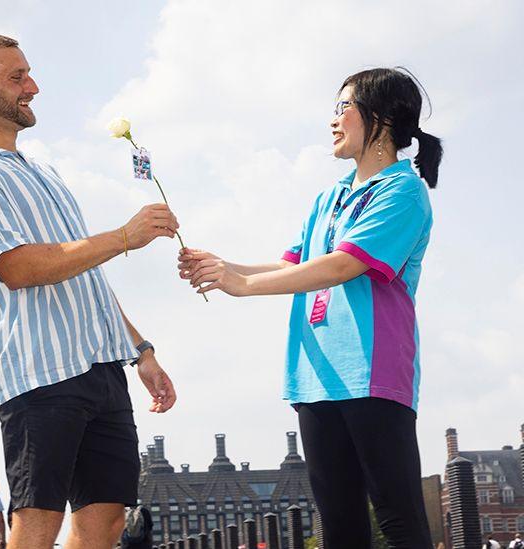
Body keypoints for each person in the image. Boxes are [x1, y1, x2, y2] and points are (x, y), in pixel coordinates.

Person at [178, 67, 443, 548]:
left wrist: (241, 284)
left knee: (398, 517)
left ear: (380, 117)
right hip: (313, 377)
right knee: (339, 525)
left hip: (372, 374)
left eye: (343, 108)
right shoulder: (328, 197)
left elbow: (343, 266)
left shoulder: (403, 191)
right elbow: (291, 266)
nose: (333, 121)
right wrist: (222, 266)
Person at [0, 34, 177, 549]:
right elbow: (18, 267)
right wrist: (123, 238)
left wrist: (141, 351)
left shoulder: (44, 174)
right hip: (39, 370)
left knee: (108, 516)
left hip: (102, 365)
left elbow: (84, 271)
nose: (34, 87)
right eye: (17, 78)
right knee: (37, 522)